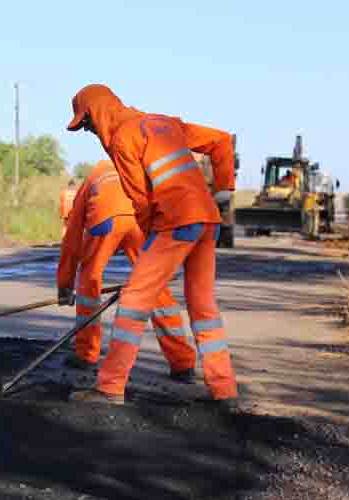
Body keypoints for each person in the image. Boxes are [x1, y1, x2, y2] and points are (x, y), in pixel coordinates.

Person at [64, 84, 239, 413]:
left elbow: (141, 203)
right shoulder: (162, 122)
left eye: (86, 124)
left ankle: (110, 387)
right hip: (207, 222)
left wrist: (148, 249)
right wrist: (224, 190)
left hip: (176, 222)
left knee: (134, 300)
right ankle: (224, 390)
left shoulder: (122, 139)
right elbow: (221, 141)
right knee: (203, 307)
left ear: (96, 113)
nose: (89, 131)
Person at [57, 159, 196, 380]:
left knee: (89, 279)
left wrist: (64, 285)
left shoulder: (95, 174)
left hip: (105, 221)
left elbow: (72, 239)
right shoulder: (137, 168)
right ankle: (182, 363)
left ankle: (86, 354)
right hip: (140, 220)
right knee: (153, 285)